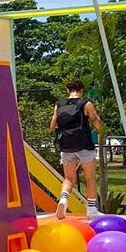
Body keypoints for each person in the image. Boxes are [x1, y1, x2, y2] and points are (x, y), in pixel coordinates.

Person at [50, 77, 102, 219]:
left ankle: (63, 199)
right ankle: (91, 210)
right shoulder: (86, 103)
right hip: (84, 145)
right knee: (90, 178)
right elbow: (96, 121)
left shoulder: (59, 104)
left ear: (68, 90)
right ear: (81, 90)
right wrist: (101, 128)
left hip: (66, 146)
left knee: (68, 178)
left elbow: (52, 125)